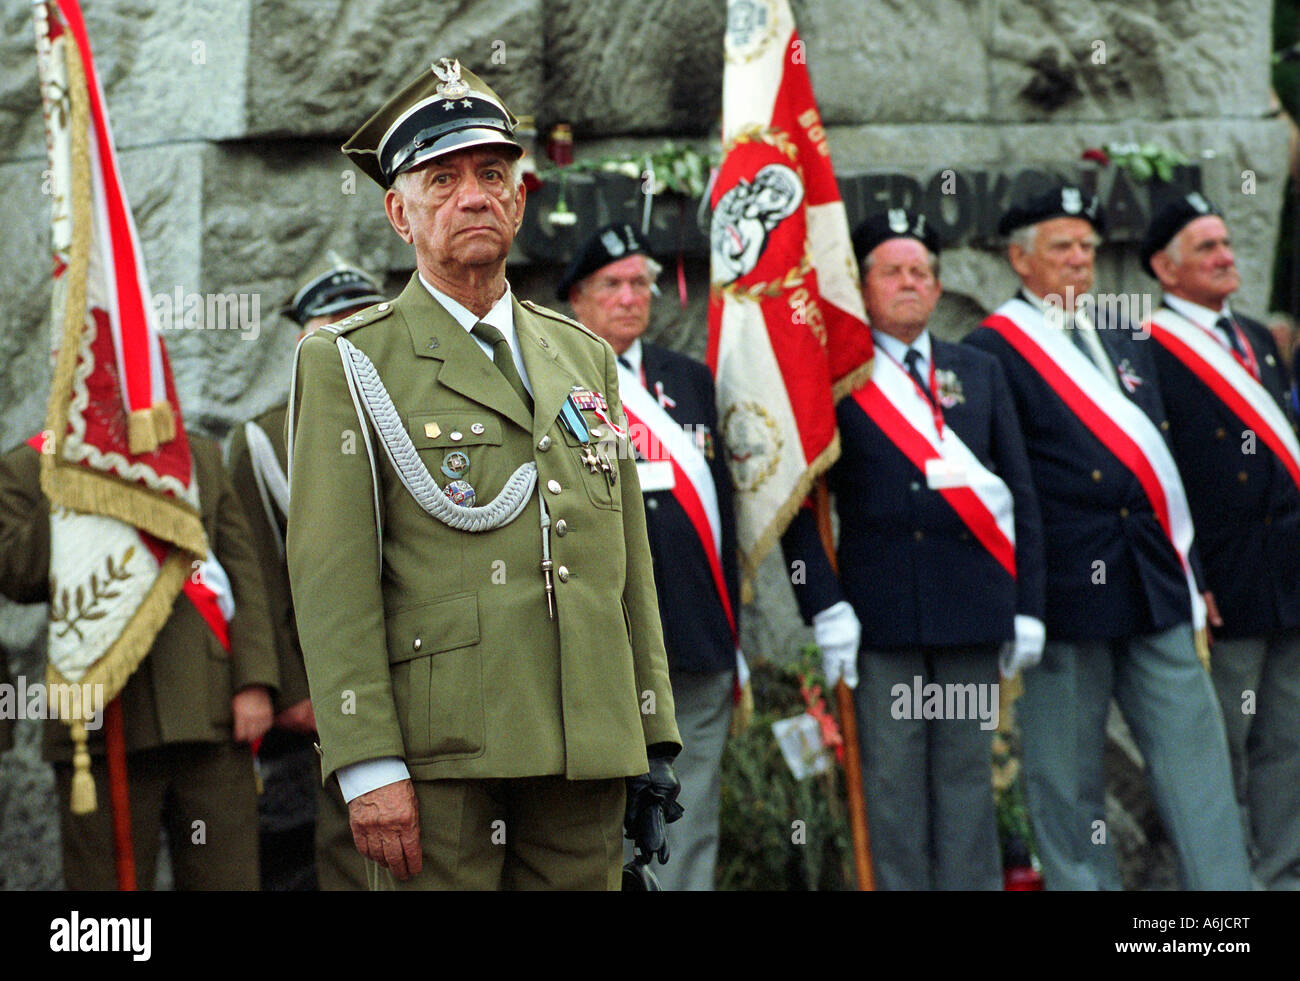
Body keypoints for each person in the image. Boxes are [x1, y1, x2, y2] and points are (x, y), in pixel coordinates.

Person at [286, 58, 682, 891]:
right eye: (443, 178)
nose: (474, 195)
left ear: (520, 197)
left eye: (493, 174)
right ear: (399, 212)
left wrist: (651, 729)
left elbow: (626, 557)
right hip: (443, 757)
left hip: (586, 738)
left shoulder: (581, 354)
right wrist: (366, 763)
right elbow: (332, 580)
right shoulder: (350, 360)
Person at [963, 185, 1251, 890]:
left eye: (1088, 247)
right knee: (1066, 777)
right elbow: (1001, 482)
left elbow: (1167, 462)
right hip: (1065, 586)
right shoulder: (990, 349)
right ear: (1020, 259)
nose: (1079, 262)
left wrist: (1197, 568)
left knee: (1197, 758)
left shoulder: (1122, 337)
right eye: (1061, 247)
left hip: (1153, 577)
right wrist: (1018, 595)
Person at [780, 209, 1045, 889]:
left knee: (965, 785)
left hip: (972, 615)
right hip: (882, 621)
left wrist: (1029, 608)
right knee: (892, 789)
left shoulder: (977, 370)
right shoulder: (836, 377)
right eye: (892, 271)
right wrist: (825, 605)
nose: (909, 283)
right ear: (862, 286)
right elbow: (799, 503)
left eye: (922, 271)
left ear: (937, 286)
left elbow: (1021, 493)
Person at [0, 435, 278, 889]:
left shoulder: (196, 455)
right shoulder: (27, 465)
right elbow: (17, 574)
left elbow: (241, 569)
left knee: (226, 880)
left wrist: (255, 681)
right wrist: (73, 484)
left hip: (212, 713)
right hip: (98, 724)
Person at [558, 222, 738, 890]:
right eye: (613, 284)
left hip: (692, 631)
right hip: (596, 637)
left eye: (642, 283)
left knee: (687, 811)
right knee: (596, 815)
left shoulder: (688, 381)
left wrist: (733, 629)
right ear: (578, 299)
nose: (631, 297)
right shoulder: (555, 376)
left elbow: (725, 512)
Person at [1140, 193, 1300, 889]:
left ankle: (1284, 871)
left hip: (1287, 571)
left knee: (1288, 741)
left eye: (1226, 243)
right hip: (1223, 578)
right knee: (1221, 746)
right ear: (1164, 268)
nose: (1225, 256)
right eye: (1206, 247)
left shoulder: (1259, 339)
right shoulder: (1148, 348)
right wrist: (1192, 570)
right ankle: (1223, 886)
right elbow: (1157, 471)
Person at [226, 254, 386, 890]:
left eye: (363, 320)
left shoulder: (412, 418)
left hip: (426, 666)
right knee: (349, 838)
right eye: (333, 323)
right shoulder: (264, 441)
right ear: (303, 339)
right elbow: (255, 577)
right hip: (327, 682)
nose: (349, 336)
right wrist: (291, 689)